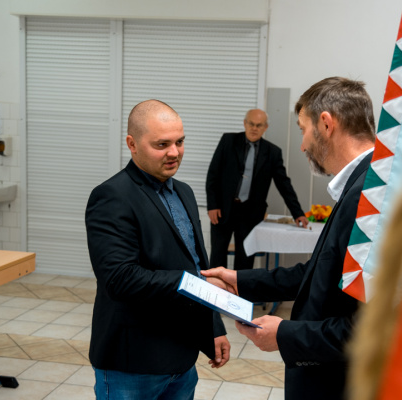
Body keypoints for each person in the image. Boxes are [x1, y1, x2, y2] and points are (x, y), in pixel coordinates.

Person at [202, 77, 376, 400]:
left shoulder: (368, 197)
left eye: (303, 129)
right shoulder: (362, 185)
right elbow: (320, 275)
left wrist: (285, 335)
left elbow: (367, 328)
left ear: (326, 124)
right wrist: (240, 281)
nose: (302, 145)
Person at [85, 100, 230, 400]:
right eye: (162, 144)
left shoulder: (184, 192)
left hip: (182, 358)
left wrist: (214, 326)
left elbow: (197, 263)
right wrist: (195, 283)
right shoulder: (112, 196)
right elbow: (120, 279)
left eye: (180, 142)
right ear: (132, 144)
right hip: (133, 363)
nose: (174, 152)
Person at [206, 109, 309, 271]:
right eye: (251, 124)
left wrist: (298, 213)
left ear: (265, 127)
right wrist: (212, 205)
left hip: (250, 214)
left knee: (245, 260)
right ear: (245, 123)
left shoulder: (273, 152)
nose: (254, 128)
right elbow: (213, 175)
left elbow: (284, 185)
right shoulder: (228, 141)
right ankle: (214, 288)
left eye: (259, 125)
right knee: (217, 257)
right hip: (222, 210)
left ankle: (239, 288)